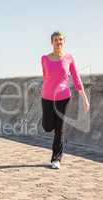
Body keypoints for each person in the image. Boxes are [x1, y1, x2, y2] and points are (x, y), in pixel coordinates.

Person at [41, 31, 89, 169]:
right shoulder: (44, 58)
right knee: (47, 127)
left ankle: (56, 158)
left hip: (63, 97)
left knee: (59, 129)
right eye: (56, 39)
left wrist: (84, 98)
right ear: (52, 42)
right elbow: (45, 77)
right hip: (47, 97)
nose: (58, 42)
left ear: (64, 41)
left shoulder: (69, 58)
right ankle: (49, 126)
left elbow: (76, 78)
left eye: (61, 39)